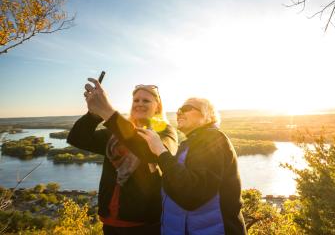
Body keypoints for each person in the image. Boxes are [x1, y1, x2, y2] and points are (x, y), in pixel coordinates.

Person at [67, 78, 177, 235]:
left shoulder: (165, 132)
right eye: (136, 100)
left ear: (157, 106)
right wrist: (94, 114)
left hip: (145, 223)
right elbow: (78, 138)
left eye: (146, 100)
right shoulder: (115, 133)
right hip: (110, 220)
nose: (139, 103)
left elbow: (151, 153)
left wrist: (107, 111)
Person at [138, 97, 247, 235]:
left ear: (207, 116)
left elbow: (192, 195)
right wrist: (155, 171)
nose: (178, 113)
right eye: (178, 110)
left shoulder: (214, 140)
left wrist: (161, 151)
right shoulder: (187, 145)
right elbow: (175, 187)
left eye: (186, 109)